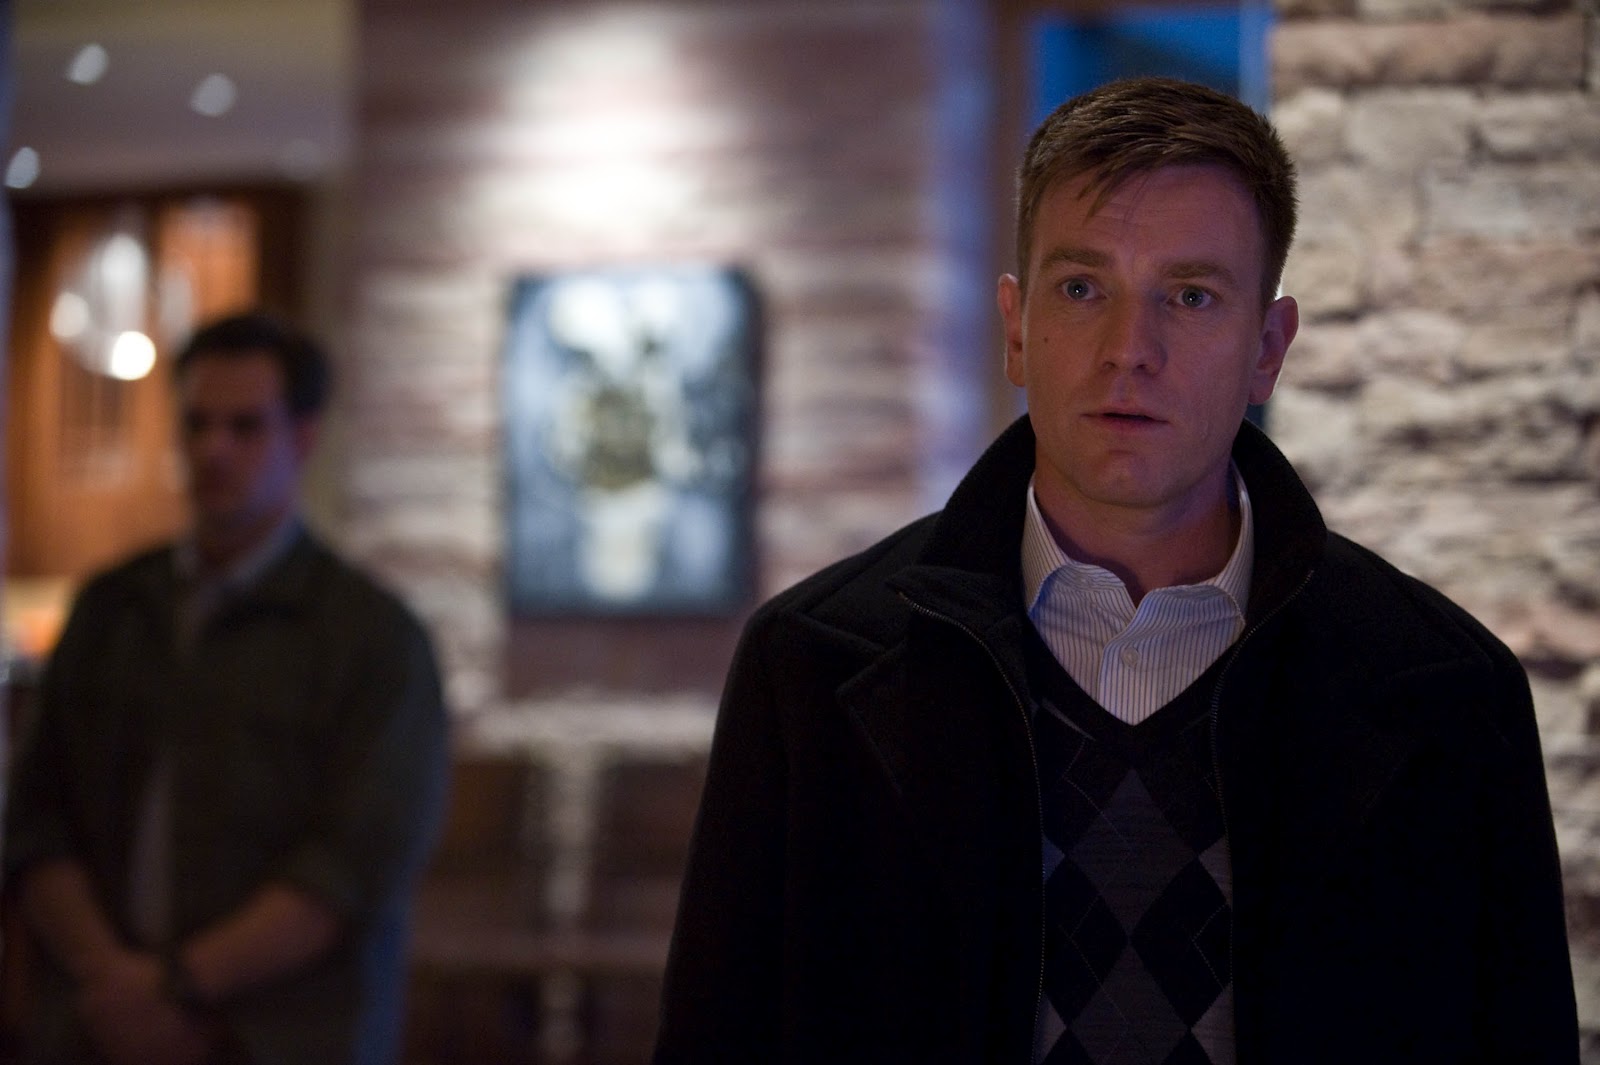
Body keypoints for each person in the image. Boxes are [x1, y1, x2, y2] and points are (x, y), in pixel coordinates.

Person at [652, 77, 1577, 1064]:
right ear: (1016, 328)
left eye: (1190, 296)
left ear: (1267, 349)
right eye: (1082, 289)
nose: (1128, 350)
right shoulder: (811, 668)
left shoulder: (1445, 695)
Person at [4, 312, 450, 1065]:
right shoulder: (113, 608)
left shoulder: (372, 636)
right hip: (94, 1026)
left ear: (301, 438)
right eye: (197, 423)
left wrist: (177, 985)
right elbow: (37, 816)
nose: (214, 449)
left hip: (284, 1035)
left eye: (246, 427)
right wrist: (112, 981)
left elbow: (352, 863)